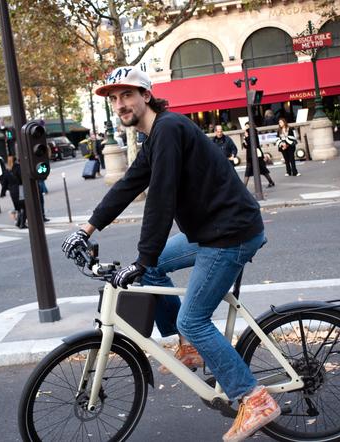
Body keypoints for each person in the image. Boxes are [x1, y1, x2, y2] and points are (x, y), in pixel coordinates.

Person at [61, 66, 278, 442]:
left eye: (127, 95)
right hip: (211, 231)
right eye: (114, 99)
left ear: (146, 95)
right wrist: (86, 229)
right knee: (153, 270)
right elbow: (128, 186)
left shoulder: (168, 129)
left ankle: (254, 398)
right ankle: (190, 346)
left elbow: (159, 201)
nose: (120, 104)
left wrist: (142, 258)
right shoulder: (155, 137)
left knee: (192, 317)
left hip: (231, 234)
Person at [243, 123, 274, 188]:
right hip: (250, 155)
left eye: (247, 126)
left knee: (261, 169)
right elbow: (246, 146)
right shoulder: (248, 133)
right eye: (245, 126)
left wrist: (246, 137)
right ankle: (271, 182)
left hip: (255, 154)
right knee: (254, 170)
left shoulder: (252, 132)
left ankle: (271, 182)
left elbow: (252, 143)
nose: (245, 128)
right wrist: (245, 140)